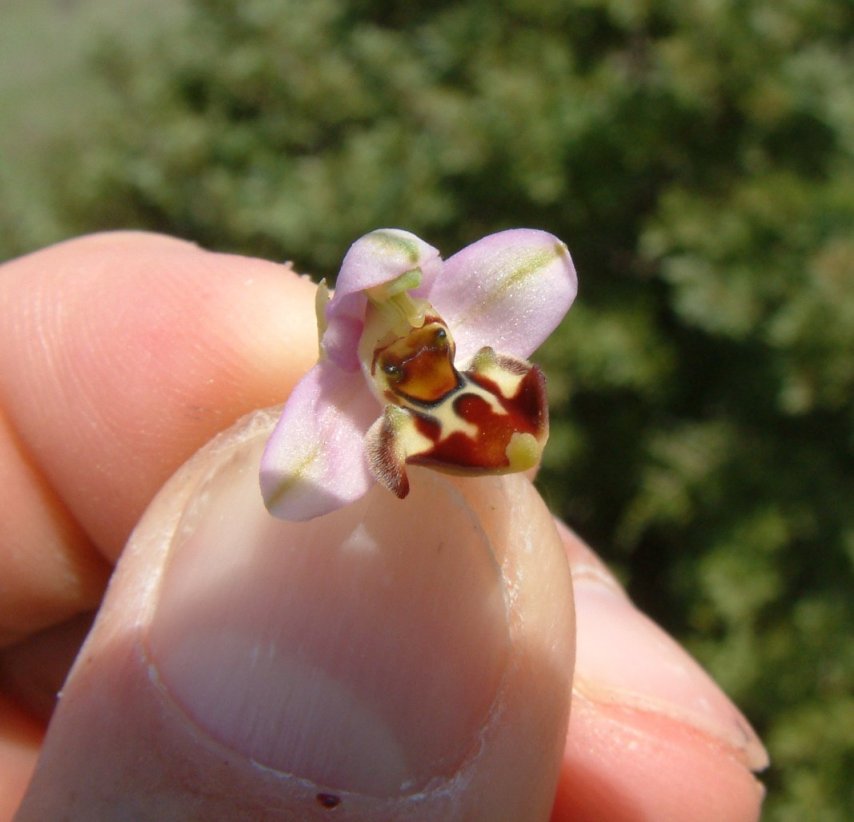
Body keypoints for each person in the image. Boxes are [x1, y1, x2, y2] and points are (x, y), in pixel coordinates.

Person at [0, 233, 767, 820]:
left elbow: (540, 267)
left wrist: (430, 381)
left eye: (426, 338)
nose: (416, 349)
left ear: (439, 322)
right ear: (351, 350)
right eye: (399, 354)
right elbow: (294, 483)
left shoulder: (456, 323)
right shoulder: (334, 409)